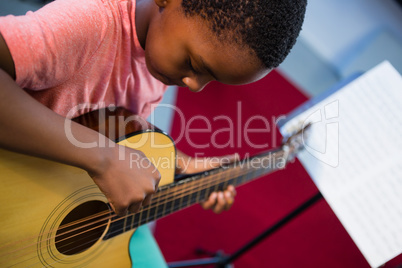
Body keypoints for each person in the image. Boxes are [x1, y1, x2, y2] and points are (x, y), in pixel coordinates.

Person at [0, 0, 306, 264]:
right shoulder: (89, 23)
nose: (195, 86)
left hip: (46, 210)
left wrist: (183, 167)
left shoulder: (158, 56)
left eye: (211, 79)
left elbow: (119, 133)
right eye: (193, 63)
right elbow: (107, 150)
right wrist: (102, 159)